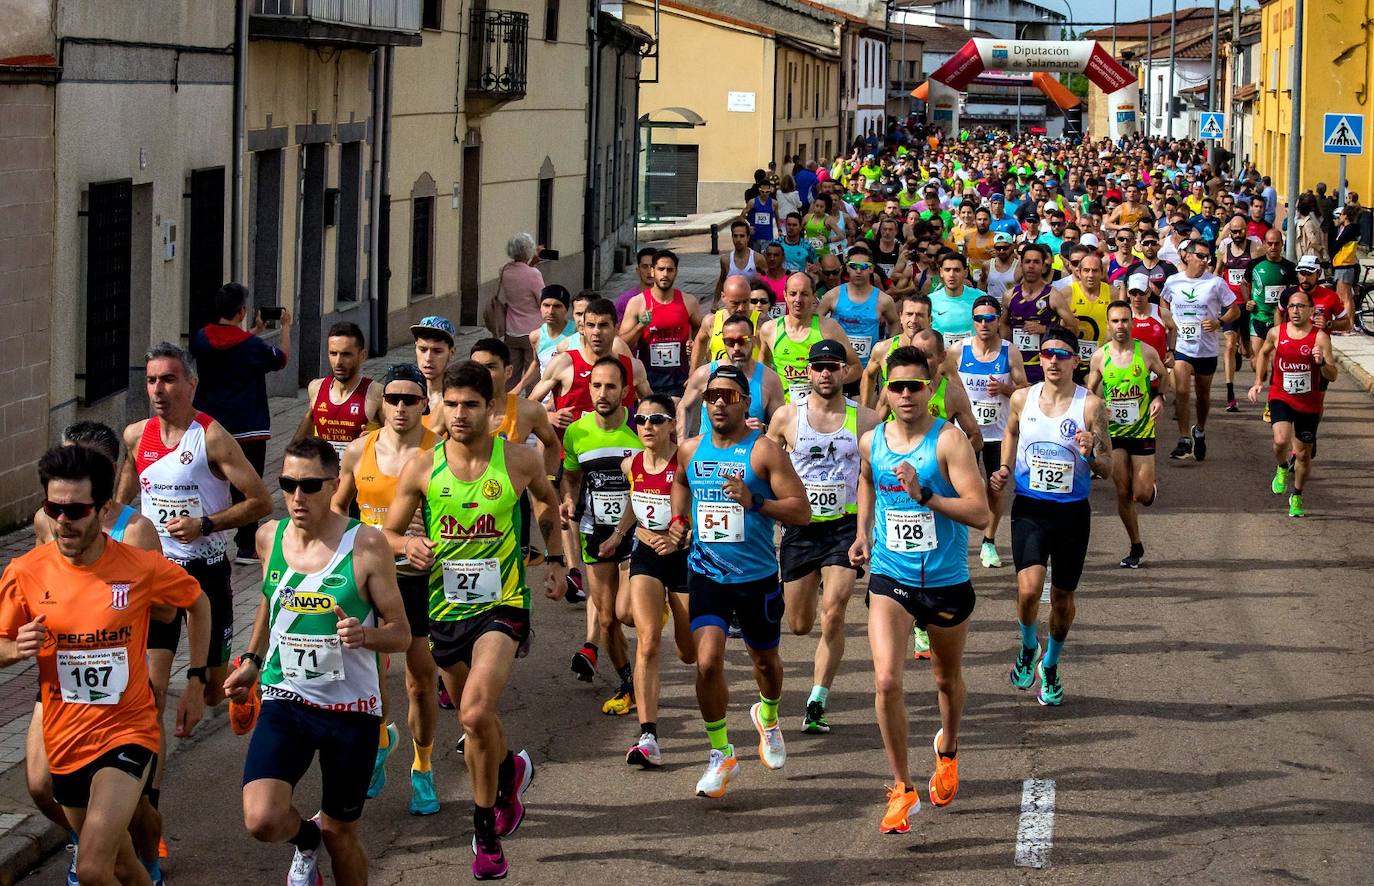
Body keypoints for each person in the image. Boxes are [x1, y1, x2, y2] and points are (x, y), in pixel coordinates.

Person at [382, 361, 566, 881]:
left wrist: (555, 562)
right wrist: (408, 543)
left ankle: (484, 832)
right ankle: (511, 770)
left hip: (502, 606)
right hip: (444, 610)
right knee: (477, 717)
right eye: (451, 404)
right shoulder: (422, 467)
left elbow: (549, 506)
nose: (459, 415)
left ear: (492, 409)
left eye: (471, 405)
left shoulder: (519, 460)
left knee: (473, 714)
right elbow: (386, 536)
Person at [1, 445, 210, 886]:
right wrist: (15, 648)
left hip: (127, 731)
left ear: (104, 509)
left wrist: (195, 679)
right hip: (66, 736)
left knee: (93, 868)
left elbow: (197, 602)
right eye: (53, 508)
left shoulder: (139, 566)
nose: (63, 521)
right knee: (120, 865)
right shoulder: (25, 572)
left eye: (76, 509)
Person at [225, 438, 410, 886]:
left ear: (334, 485)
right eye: (288, 484)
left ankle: (322, 838)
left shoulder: (365, 545)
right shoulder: (269, 536)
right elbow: (269, 606)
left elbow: (401, 633)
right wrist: (252, 659)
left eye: (309, 485)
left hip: (350, 713)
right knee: (262, 819)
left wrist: (366, 635)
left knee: (341, 835)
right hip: (286, 699)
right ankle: (304, 839)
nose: (297, 496)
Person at [849, 345, 989, 832]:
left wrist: (925, 495)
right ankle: (901, 787)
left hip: (946, 580)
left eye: (915, 386)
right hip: (892, 576)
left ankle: (947, 747)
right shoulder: (872, 441)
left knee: (946, 682)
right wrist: (863, 532)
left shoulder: (949, 442)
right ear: (886, 390)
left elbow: (981, 512)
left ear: (931, 389)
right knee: (886, 679)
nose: (906, 394)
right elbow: (866, 480)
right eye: (897, 386)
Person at [29, 424, 166, 885]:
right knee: (39, 783)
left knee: (134, 803)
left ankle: (141, 859)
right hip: (60, 673)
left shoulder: (137, 532)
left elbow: (167, 613)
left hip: (120, 683)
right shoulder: (45, 521)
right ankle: (95, 844)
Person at [668, 363, 810, 798]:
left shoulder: (763, 451)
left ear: (745, 402)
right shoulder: (691, 450)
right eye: (712, 397)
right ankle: (720, 753)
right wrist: (678, 519)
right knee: (707, 661)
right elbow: (679, 481)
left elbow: (801, 510)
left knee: (765, 662)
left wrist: (756, 500)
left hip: (757, 576)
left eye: (728, 396)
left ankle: (767, 715)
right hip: (707, 573)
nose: (718, 404)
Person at [116, 343, 272, 731]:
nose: (157, 390)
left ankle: (244, 679)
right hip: (157, 574)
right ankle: (147, 776)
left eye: (168, 379)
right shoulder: (136, 436)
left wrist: (205, 524)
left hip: (208, 571)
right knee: (152, 688)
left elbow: (261, 502)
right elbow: (119, 506)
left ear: (191, 383)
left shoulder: (212, 437)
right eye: (152, 380)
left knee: (212, 691)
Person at [331, 364, 442, 816]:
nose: (400, 407)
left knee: (419, 683)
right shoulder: (359, 451)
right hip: (367, 580)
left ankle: (423, 767)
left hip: (418, 581)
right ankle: (379, 743)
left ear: (424, 404)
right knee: (368, 681)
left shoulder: (440, 451)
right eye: (392, 398)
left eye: (410, 399)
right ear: (382, 405)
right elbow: (337, 508)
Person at [991, 326, 1112, 706]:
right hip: (1030, 505)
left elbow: (1108, 468)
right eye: (1046, 353)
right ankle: (1029, 646)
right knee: (1028, 590)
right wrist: (1006, 467)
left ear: (1076, 360)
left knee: (1061, 599)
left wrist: (1091, 453)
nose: (1053, 360)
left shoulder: (1090, 405)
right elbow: (1010, 432)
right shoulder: (1022, 399)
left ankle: (1052, 664)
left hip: (1072, 512)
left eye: (1061, 354)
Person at [766, 340, 879, 734]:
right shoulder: (785, 418)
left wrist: (864, 531)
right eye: (819, 367)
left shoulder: (864, 419)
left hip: (842, 528)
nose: (827, 373)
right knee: (799, 624)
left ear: (846, 372)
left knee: (834, 611)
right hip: (800, 528)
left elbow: (869, 481)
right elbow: (765, 470)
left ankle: (818, 698)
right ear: (808, 372)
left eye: (834, 366)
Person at [615, 394, 696, 767]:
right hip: (646, 555)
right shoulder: (631, 463)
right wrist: (620, 534)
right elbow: (635, 500)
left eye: (656, 419)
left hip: (682, 558)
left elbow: (703, 505)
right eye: (641, 420)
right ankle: (648, 734)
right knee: (647, 640)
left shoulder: (687, 460)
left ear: (671, 425)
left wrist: (683, 534)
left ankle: (678, 618)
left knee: (687, 651)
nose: (647, 427)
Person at [560, 358, 643, 715]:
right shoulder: (577, 432)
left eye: (611, 387)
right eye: (596, 386)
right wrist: (566, 498)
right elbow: (571, 475)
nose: (602, 393)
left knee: (625, 614)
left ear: (625, 391)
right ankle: (628, 681)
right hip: (596, 534)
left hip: (636, 532)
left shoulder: (641, 428)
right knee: (607, 620)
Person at [189, 282, 290, 562]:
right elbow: (281, 359)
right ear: (242, 311)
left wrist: (252, 331)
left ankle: (201, 533)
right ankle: (246, 545)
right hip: (249, 427)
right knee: (248, 487)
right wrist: (285, 328)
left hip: (210, 427)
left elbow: (228, 343)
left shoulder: (200, 339)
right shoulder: (253, 347)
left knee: (208, 481)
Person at [1086, 301, 1171, 569]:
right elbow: (1089, 392)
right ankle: (1135, 545)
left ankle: (1148, 489)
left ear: (1132, 323)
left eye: (1125, 321)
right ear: (1108, 324)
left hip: (1143, 430)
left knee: (1142, 494)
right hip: (1116, 434)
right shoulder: (1100, 357)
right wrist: (1097, 412)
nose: (1120, 326)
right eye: (1115, 321)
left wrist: (1159, 397)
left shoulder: (1145, 353)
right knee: (1123, 492)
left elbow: (1164, 375)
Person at [951, 296, 1027, 569]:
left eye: (990, 318)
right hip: (965, 434)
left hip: (997, 434)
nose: (984, 324)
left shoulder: (1010, 352)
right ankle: (956, 542)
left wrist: (1005, 390)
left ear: (998, 320)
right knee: (958, 489)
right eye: (979, 319)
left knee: (995, 488)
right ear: (972, 321)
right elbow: (944, 385)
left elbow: (1025, 391)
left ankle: (989, 542)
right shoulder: (958, 351)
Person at [1249, 286, 1337, 518]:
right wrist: (1259, 380)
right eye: (1291, 306)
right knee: (1280, 441)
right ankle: (1281, 466)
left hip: (1308, 403)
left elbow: (1333, 374)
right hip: (1281, 395)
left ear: (1310, 310)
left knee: (1304, 455)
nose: (1295, 311)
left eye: (1300, 306)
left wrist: (1320, 364)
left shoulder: (1320, 338)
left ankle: (1296, 495)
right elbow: (1264, 353)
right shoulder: (1277, 332)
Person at [1160, 241, 1240, 461]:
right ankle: (1185, 439)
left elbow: (1234, 310)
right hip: (1182, 347)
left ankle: (1200, 430)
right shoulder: (1173, 281)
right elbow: (1164, 301)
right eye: (1201, 256)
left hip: (1206, 348)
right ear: (1188, 256)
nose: (1206, 261)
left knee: (1203, 397)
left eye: (1208, 257)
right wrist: (1169, 322)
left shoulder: (1215, 283)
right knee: (1183, 391)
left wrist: (1219, 322)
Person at [758, 273, 859, 404]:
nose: (798, 300)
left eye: (804, 294)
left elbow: (856, 367)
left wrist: (830, 384)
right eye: (793, 293)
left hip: (821, 410)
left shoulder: (829, 328)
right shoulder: (769, 330)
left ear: (813, 296)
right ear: (785, 295)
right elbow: (762, 367)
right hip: (785, 411)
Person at [679, 313, 785, 436]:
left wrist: (764, 429)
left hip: (750, 452)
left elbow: (780, 426)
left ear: (754, 340)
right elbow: (684, 407)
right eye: (730, 341)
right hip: (709, 454)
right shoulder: (704, 374)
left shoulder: (769, 380)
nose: (736, 348)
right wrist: (682, 442)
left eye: (742, 341)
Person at [620, 249, 703, 399]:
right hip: (648, 382)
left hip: (680, 382)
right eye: (661, 269)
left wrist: (693, 341)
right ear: (652, 271)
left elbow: (701, 329)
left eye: (670, 270)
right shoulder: (638, 303)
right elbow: (622, 344)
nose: (665, 274)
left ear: (676, 272)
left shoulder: (688, 301)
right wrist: (640, 326)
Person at [291, 321, 381, 451]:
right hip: (324, 471)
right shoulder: (316, 387)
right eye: (333, 353)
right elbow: (299, 443)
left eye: (346, 354)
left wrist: (376, 440)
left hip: (359, 471)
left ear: (362, 356)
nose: (338, 362)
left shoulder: (376, 393)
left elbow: (394, 444)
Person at [820, 242, 899, 379]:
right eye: (853, 266)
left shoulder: (883, 300)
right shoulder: (833, 296)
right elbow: (815, 321)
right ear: (846, 268)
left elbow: (895, 322)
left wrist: (888, 345)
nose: (858, 271)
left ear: (871, 269)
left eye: (864, 267)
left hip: (869, 369)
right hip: (838, 368)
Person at [1002, 243, 1078, 385]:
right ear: (1021, 265)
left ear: (1043, 266)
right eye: (1027, 262)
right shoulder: (1009, 295)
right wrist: (1007, 347)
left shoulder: (1053, 295)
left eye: (1036, 262)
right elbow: (1003, 325)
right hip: (1016, 365)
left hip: (1044, 366)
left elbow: (1073, 328)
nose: (1031, 266)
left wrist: (1045, 330)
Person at [1240, 229, 1297, 402]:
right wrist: (1248, 300)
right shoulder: (1254, 264)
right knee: (1257, 360)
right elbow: (1244, 284)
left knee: (1276, 360)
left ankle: (1275, 396)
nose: (1273, 247)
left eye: (1277, 243)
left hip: (1279, 321)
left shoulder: (1289, 267)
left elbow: (1294, 291)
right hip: (1258, 317)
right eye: (1270, 243)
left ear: (1282, 244)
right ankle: (1261, 374)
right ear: (1264, 244)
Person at [1216, 218, 1262, 411]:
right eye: (1233, 232)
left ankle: (1240, 350)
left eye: (1239, 231)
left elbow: (1262, 274)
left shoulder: (1256, 249)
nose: (1236, 235)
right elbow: (1217, 274)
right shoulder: (1224, 249)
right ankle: (1230, 394)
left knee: (1249, 352)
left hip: (1249, 306)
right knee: (1228, 344)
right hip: (1230, 304)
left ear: (1246, 231)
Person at [492, 233, 547, 384]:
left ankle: (509, 405)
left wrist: (531, 262)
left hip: (511, 331)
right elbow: (542, 301)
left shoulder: (504, 270)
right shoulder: (533, 274)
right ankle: (531, 405)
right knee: (533, 376)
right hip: (533, 331)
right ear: (529, 250)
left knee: (511, 377)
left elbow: (520, 275)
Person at [516, 284, 578, 396]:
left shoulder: (576, 332)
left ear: (566, 309)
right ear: (540, 307)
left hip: (570, 398)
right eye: (546, 305)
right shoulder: (536, 336)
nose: (551, 311)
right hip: (545, 398)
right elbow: (537, 364)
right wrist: (519, 387)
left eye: (557, 306)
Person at [690, 275, 761, 372]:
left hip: (751, 384)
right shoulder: (711, 321)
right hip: (719, 383)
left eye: (746, 301)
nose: (741, 308)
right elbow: (699, 342)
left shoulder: (761, 323)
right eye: (735, 303)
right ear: (723, 297)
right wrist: (693, 373)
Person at [927, 252, 987, 351]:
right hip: (942, 358)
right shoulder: (930, 301)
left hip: (973, 356)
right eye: (947, 270)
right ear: (941, 272)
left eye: (957, 270)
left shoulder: (980, 297)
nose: (951, 275)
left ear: (966, 273)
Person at [1067, 253, 1112, 382]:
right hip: (1073, 360)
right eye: (1086, 270)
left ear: (1102, 273)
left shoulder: (1112, 293)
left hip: (1103, 358)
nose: (1091, 275)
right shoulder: (1067, 293)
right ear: (1079, 272)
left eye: (1095, 271)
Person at [411, 315, 458, 435]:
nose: (428, 358)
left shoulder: (458, 399)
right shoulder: (402, 396)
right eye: (422, 349)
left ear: (451, 352)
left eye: (437, 351)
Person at [715, 220, 765, 295]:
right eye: (735, 236)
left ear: (748, 238)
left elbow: (768, 281)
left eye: (742, 236)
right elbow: (721, 281)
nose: (738, 240)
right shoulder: (725, 260)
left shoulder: (757, 258)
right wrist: (715, 302)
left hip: (751, 303)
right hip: (732, 303)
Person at [615, 248, 658, 321]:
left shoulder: (669, 299)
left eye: (653, 267)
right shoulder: (625, 300)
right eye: (644, 267)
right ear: (638, 270)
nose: (649, 271)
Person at [744, 180, 779, 251]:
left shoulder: (774, 203)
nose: (764, 194)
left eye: (767, 192)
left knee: (766, 259)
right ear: (759, 190)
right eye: (762, 192)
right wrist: (748, 227)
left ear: (770, 191)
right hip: (755, 237)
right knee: (754, 259)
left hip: (768, 237)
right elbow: (741, 216)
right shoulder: (752, 202)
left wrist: (780, 230)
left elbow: (777, 218)